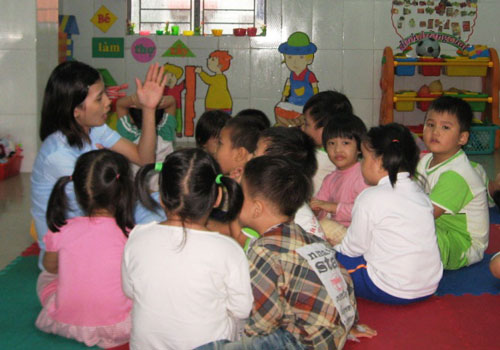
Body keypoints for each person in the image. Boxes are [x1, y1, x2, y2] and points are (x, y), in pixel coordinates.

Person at [196, 156, 376, 350]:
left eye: (239, 195)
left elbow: (264, 321)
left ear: (257, 209)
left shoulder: (264, 250)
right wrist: (347, 325)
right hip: (333, 334)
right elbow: (341, 280)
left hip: (302, 344)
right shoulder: (308, 239)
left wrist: (248, 339)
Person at [31, 61, 167, 269]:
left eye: (105, 94)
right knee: (153, 229)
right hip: (73, 247)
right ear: (75, 110)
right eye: (99, 98)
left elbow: (144, 159)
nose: (108, 103)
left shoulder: (94, 128)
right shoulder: (59, 155)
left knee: (166, 201)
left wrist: (148, 109)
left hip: (101, 220)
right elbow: (97, 210)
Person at [122, 148, 253, 350]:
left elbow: (129, 291)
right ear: (218, 197)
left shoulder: (138, 236)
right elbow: (242, 310)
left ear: (162, 197)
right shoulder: (228, 249)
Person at [35, 149, 134, 348]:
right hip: (121, 326)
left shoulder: (61, 229)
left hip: (65, 322)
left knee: (44, 278)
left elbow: (50, 268)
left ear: (78, 191)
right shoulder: (130, 235)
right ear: (124, 191)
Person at [335, 123, 443, 304]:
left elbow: (352, 249)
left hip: (391, 289)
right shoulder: (419, 192)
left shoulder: (369, 197)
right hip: (430, 285)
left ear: (378, 161)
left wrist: (333, 249)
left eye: (363, 157)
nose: (360, 163)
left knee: (328, 260)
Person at [417, 96, 489, 270]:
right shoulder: (425, 160)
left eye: (445, 127)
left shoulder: (457, 174)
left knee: (409, 236)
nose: (435, 132)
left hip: (462, 243)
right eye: (430, 124)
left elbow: (425, 214)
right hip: (436, 227)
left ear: (462, 138)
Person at [310, 114, 369, 244]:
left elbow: (367, 211)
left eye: (345, 143)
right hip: (337, 234)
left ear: (360, 147)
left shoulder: (365, 174)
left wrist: (333, 207)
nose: (337, 149)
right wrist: (315, 209)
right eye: (331, 143)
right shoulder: (330, 179)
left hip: (362, 236)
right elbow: (322, 207)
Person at [116, 92, 177, 184]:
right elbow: (172, 101)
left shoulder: (129, 135)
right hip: (164, 188)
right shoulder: (165, 132)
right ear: (161, 118)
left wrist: (134, 100)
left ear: (131, 118)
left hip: (137, 190)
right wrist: (153, 103)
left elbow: (120, 105)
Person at [301, 90, 354, 194]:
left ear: (324, 130)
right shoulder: (351, 153)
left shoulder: (319, 159)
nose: (303, 128)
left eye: (307, 124)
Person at [163, 62, 186, 136]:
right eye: (167, 77)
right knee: (167, 120)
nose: (170, 79)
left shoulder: (177, 88)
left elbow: (183, 85)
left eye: (172, 76)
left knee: (178, 119)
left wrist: (185, 81)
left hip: (177, 107)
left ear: (176, 78)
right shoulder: (164, 89)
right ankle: (168, 131)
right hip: (166, 108)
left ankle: (178, 131)